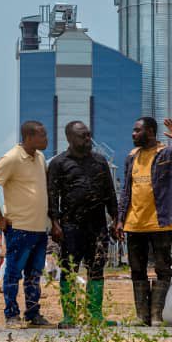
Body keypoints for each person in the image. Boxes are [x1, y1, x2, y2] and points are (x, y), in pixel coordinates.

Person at [119, 117, 172, 326]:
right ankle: (141, 316)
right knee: (137, 269)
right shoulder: (131, 157)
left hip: (161, 222)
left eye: (137, 130)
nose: (133, 134)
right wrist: (120, 220)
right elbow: (126, 191)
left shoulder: (167, 154)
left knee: (163, 267)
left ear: (150, 132)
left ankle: (157, 315)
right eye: (133, 130)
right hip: (134, 223)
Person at [48, 121, 120, 327]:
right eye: (83, 136)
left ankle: (94, 316)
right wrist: (55, 224)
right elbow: (52, 196)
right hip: (70, 227)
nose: (88, 139)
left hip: (97, 227)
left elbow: (110, 193)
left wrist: (116, 220)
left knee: (96, 269)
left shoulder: (100, 161)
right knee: (69, 269)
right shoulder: (58, 163)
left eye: (89, 135)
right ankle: (69, 316)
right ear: (70, 138)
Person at [0, 120, 51, 328]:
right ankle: (11, 315)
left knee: (34, 275)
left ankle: (33, 314)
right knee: (13, 274)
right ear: (29, 137)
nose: (46, 139)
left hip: (39, 227)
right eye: (42, 135)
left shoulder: (40, 157)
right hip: (19, 228)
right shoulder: (12, 158)